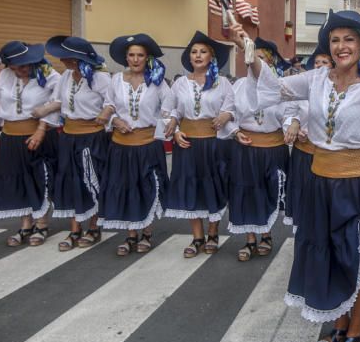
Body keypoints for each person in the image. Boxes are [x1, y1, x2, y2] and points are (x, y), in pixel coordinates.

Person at [229, 10, 360, 342]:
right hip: (322, 184)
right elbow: (274, 88)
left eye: (349, 39)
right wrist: (248, 46)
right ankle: (339, 323)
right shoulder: (316, 79)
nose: (340, 46)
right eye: (334, 40)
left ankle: (357, 332)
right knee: (333, 256)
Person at [95, 34, 172, 256]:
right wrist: (114, 119)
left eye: (140, 55)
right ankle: (130, 236)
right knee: (125, 188)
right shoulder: (116, 80)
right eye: (131, 55)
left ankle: (146, 233)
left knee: (146, 187)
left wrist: (166, 127)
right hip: (121, 145)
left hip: (148, 144)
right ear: (125, 58)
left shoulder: (157, 82)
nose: (135, 59)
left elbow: (168, 108)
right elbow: (109, 105)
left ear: (147, 57)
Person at [36, 36, 111, 252]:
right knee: (69, 181)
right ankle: (75, 229)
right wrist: (44, 117)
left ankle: (94, 227)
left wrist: (106, 115)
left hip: (92, 137)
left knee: (90, 180)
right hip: (68, 137)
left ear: (77, 59)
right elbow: (59, 103)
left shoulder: (100, 78)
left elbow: (112, 103)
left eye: (66, 58)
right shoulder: (66, 77)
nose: (62, 61)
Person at [0, 41, 61, 247]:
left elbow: (58, 102)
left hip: (38, 134)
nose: (22, 69)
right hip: (10, 136)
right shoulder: (5, 76)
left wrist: (41, 129)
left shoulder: (48, 74)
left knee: (39, 178)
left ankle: (42, 224)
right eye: (17, 66)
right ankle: (26, 224)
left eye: (26, 65)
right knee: (17, 179)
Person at [165, 31, 235, 258]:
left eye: (203, 51)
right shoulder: (180, 83)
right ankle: (197, 236)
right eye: (194, 52)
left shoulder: (222, 82)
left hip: (213, 143)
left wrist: (225, 115)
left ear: (211, 57)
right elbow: (171, 110)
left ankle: (213, 232)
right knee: (190, 187)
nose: (197, 55)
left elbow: (231, 107)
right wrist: (174, 130)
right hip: (187, 143)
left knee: (212, 187)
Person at [228, 37, 293, 261]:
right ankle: (250, 239)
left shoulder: (281, 88)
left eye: (261, 59)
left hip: (273, 148)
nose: (255, 63)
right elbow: (228, 115)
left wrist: (290, 128)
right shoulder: (237, 86)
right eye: (253, 58)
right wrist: (235, 132)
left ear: (270, 63)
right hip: (246, 149)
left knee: (269, 191)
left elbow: (288, 114)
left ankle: (266, 234)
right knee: (247, 192)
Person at [283, 48, 332, 231]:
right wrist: (293, 125)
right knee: (304, 196)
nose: (319, 65)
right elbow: (288, 112)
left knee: (324, 200)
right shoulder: (303, 87)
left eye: (325, 62)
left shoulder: (338, 89)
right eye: (317, 62)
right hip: (303, 152)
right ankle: (305, 240)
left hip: (328, 156)